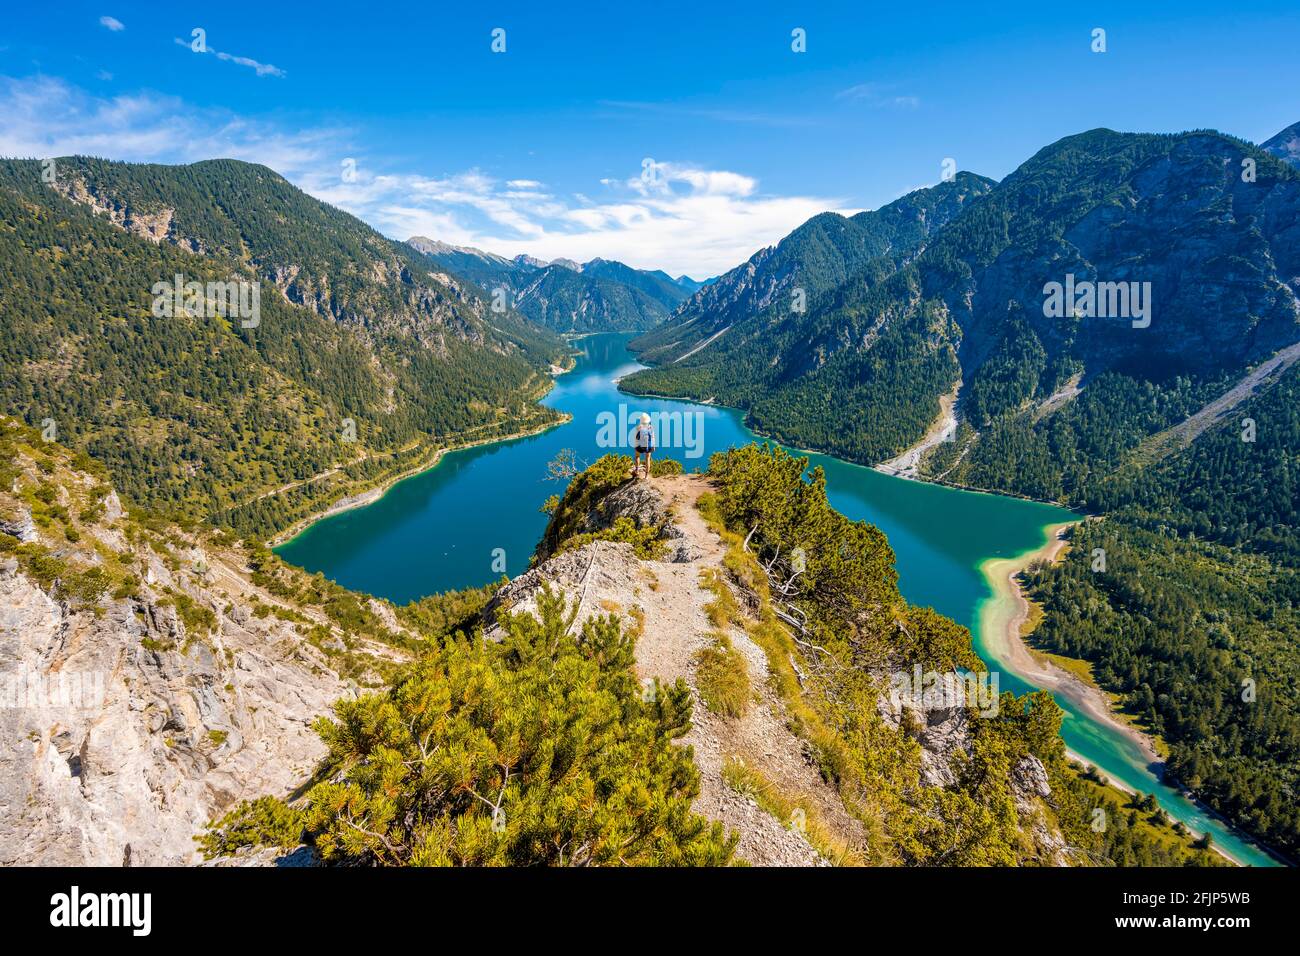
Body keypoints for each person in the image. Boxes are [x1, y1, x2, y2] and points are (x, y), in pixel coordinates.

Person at [633, 412, 655, 479]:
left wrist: (635, 446)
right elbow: (653, 437)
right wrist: (653, 446)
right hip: (649, 445)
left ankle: (637, 471)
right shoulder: (651, 428)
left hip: (640, 445)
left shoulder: (638, 427)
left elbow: (636, 438)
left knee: (637, 456)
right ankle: (646, 476)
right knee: (648, 458)